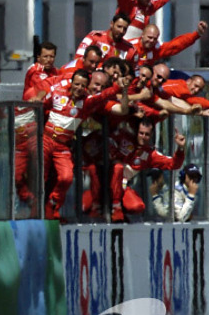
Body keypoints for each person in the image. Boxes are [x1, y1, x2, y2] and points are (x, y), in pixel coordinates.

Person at [41, 69, 128, 220]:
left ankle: (52, 206)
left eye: (83, 85)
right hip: (46, 141)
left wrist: (120, 88)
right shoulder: (58, 91)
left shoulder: (88, 102)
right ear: (72, 83)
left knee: (67, 177)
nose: (79, 88)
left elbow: (106, 97)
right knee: (40, 177)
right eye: (77, 84)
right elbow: (41, 103)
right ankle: (38, 212)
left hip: (63, 146)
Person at [109, 119, 186, 222]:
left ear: (151, 135)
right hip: (102, 179)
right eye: (141, 133)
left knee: (137, 206)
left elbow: (173, 164)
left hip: (121, 186)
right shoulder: (123, 136)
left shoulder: (150, 155)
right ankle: (112, 208)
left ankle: (118, 210)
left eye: (147, 134)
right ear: (136, 132)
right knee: (117, 167)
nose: (143, 137)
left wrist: (180, 148)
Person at [130, 21, 207, 68]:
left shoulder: (156, 48)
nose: (151, 41)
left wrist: (197, 34)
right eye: (149, 37)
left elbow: (176, 45)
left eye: (155, 39)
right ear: (142, 35)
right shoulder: (130, 46)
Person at [75, 14, 139, 69]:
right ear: (111, 24)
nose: (121, 31)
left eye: (125, 29)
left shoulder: (129, 50)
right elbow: (78, 59)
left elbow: (133, 72)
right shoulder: (94, 38)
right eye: (119, 27)